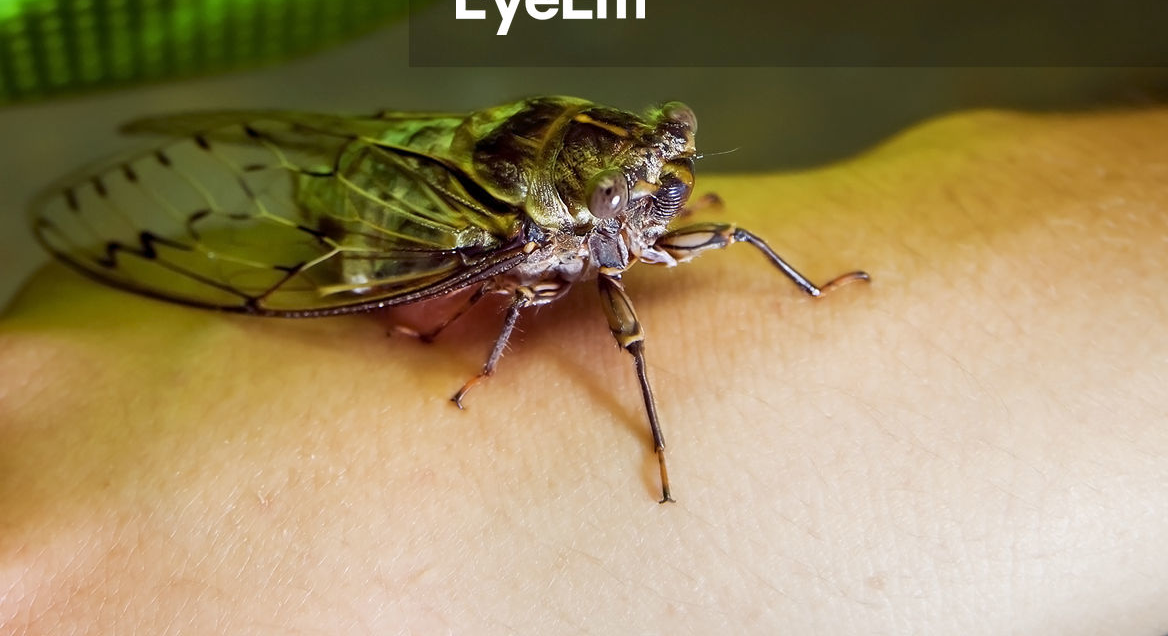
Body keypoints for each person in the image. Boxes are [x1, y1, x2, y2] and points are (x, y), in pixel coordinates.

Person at [2, 107, 1165, 634]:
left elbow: (668, 220)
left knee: (710, 247)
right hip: (421, 223)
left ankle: (799, 293)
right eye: (638, 192)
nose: (660, 207)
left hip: (498, 193)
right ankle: (648, 429)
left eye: (662, 186)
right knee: (572, 311)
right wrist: (495, 344)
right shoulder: (546, 238)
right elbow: (520, 292)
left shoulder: (644, 213)